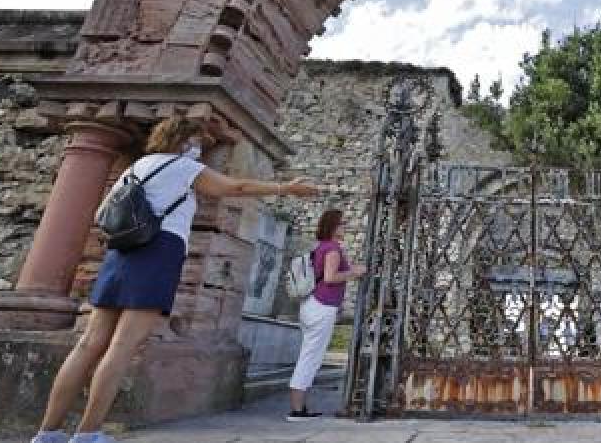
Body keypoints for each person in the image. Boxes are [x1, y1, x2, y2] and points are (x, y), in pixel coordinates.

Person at [31, 116, 323, 443]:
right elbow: (233, 187)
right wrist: (286, 188)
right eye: (197, 141)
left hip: (121, 255)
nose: (199, 148)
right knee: (122, 347)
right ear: (184, 141)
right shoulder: (182, 167)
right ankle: (87, 433)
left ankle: (48, 432)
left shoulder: (138, 167)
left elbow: (103, 212)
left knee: (88, 344)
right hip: (159, 251)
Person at [285, 208, 366, 421]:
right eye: (343, 223)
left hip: (313, 305)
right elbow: (330, 277)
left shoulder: (322, 247)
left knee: (309, 355)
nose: (346, 227)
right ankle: (296, 409)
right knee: (310, 357)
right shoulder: (332, 249)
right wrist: (354, 273)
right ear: (333, 226)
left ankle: (299, 407)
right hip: (321, 306)